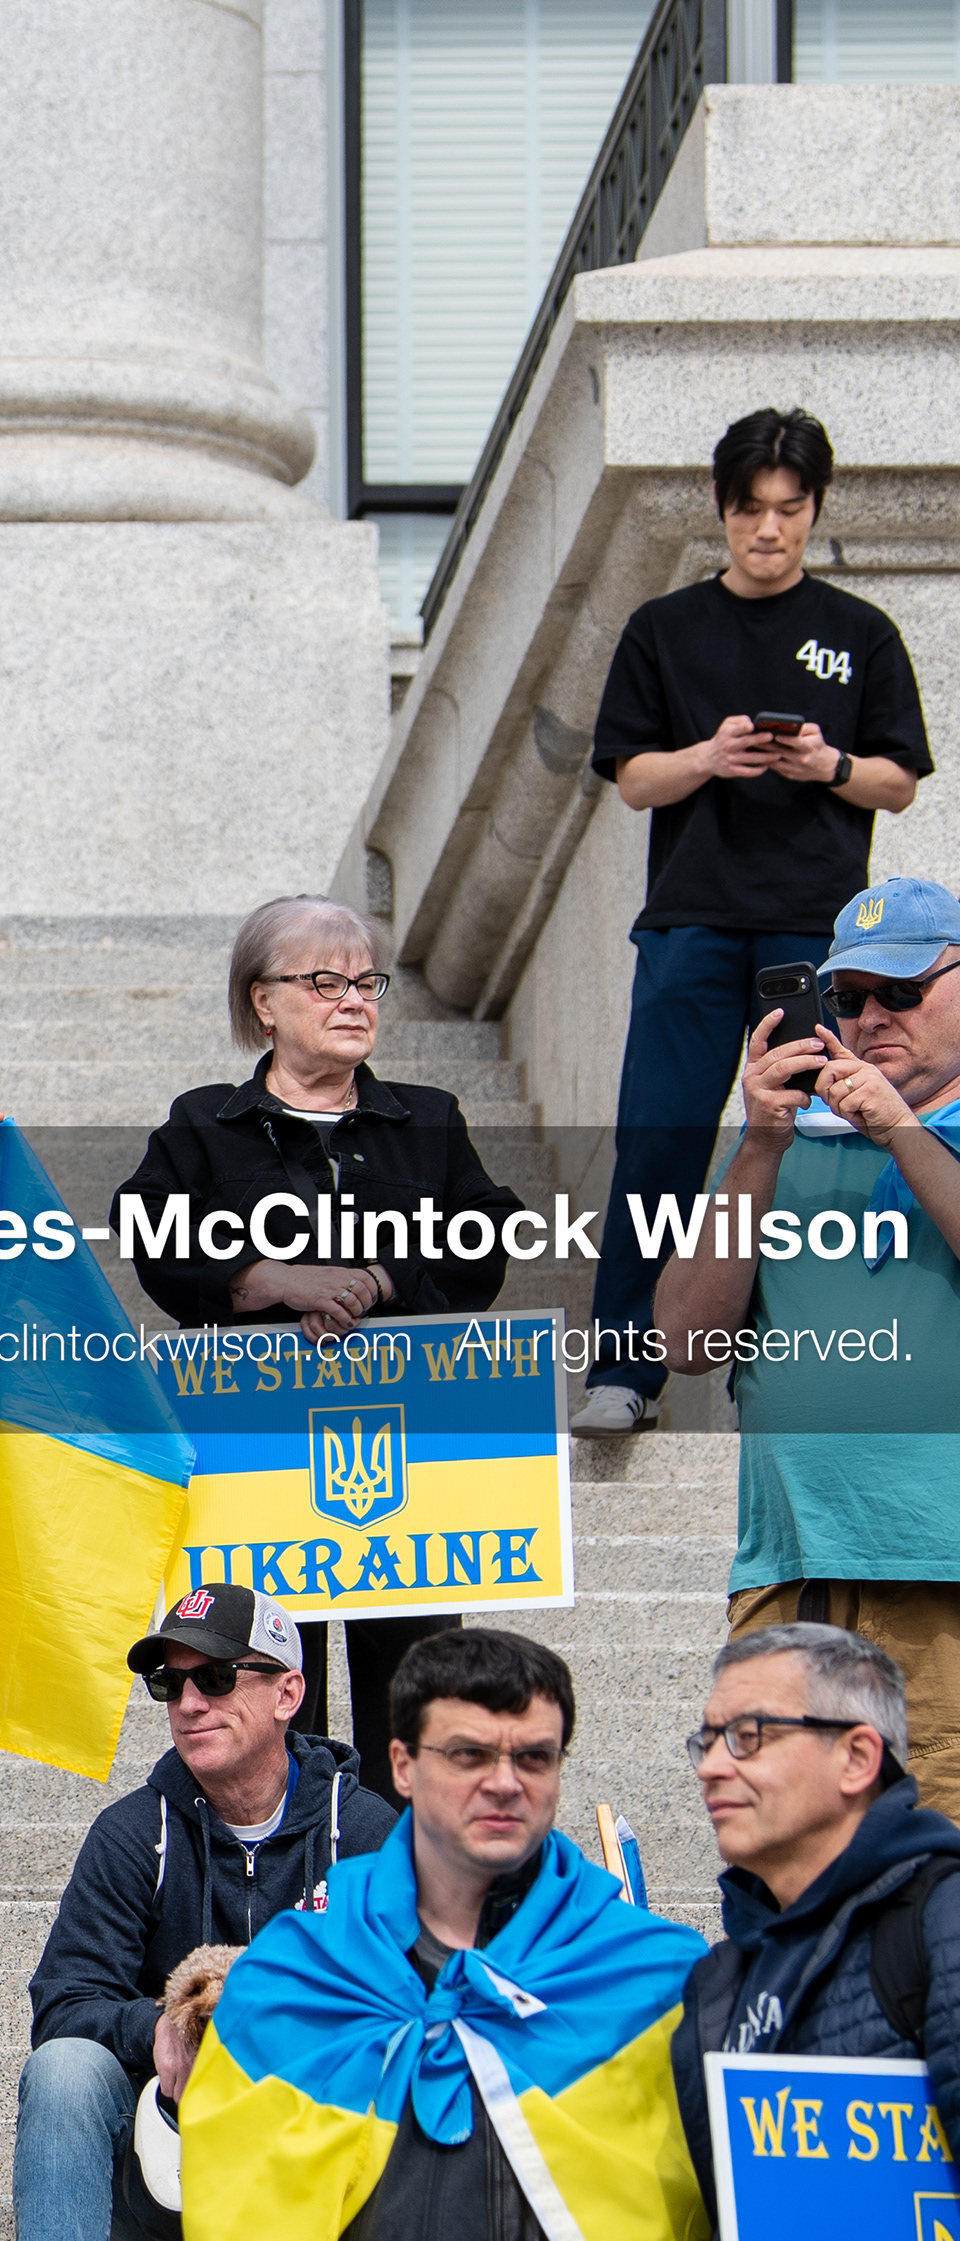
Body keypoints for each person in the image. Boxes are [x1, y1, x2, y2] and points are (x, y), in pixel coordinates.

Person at [183, 1627, 707, 2241]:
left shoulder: (650, 1976)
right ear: (403, 1764)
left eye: (534, 1757)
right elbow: (235, 2230)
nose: (505, 1781)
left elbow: (668, 2230)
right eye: (468, 1753)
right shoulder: (289, 1975)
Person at [115, 896, 527, 1790]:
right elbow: (147, 1230)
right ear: (264, 1002)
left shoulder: (428, 1118)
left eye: (367, 982)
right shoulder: (201, 1125)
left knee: (412, 1697)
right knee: (264, 1685)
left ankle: (401, 1886)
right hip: (258, 1451)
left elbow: (491, 1237)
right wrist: (261, 1278)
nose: (355, 1000)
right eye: (325, 981)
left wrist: (377, 1283)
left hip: (398, 1450)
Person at [584, 407, 932, 1435]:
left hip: (817, 932)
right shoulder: (664, 628)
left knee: (811, 1141)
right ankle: (624, 1370)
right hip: (691, 919)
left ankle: (782, 1374)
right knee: (660, 1141)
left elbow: (899, 782)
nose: (768, 530)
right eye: (750, 511)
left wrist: (826, 763)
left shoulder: (861, 631)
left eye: (788, 510)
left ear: (814, 510)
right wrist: (712, 756)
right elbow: (633, 779)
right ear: (721, 511)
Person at [6, 1583, 390, 2241]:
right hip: (166, 2189)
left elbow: (418, 2001)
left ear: (288, 1692)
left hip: (319, 2188)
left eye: (215, 1678)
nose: (188, 1703)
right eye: (170, 1684)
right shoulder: (132, 1832)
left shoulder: (363, 1832)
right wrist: (160, 2032)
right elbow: (62, 2004)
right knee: (64, 2067)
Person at [656, 878, 960, 1791]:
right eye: (848, 997)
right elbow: (683, 1342)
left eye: (901, 992)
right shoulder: (780, 1144)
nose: (871, 1019)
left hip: (944, 1579)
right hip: (795, 1576)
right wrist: (757, 1147)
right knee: (784, 1870)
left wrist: (902, 1130)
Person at [670, 1625, 960, 2241]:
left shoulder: (941, 1920)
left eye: (749, 1736)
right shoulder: (719, 1985)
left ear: (858, 1756)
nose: (716, 1766)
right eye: (707, 1740)